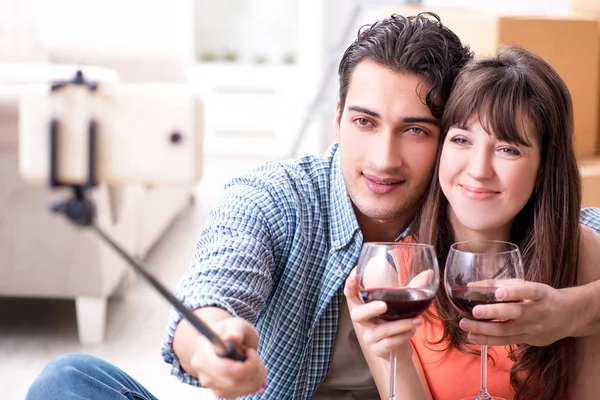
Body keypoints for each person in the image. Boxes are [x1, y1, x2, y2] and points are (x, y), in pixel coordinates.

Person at [24, 13, 600, 400]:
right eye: (365, 122)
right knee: (69, 380)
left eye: (417, 130)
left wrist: (574, 312)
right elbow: (212, 292)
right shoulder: (277, 201)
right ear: (338, 119)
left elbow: (576, 231)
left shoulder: (475, 210)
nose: (384, 158)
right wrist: (216, 349)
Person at [345, 46, 600, 400]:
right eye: (462, 140)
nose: (478, 171)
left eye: (508, 148)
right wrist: (394, 357)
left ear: (544, 168)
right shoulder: (394, 272)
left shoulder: (580, 251)